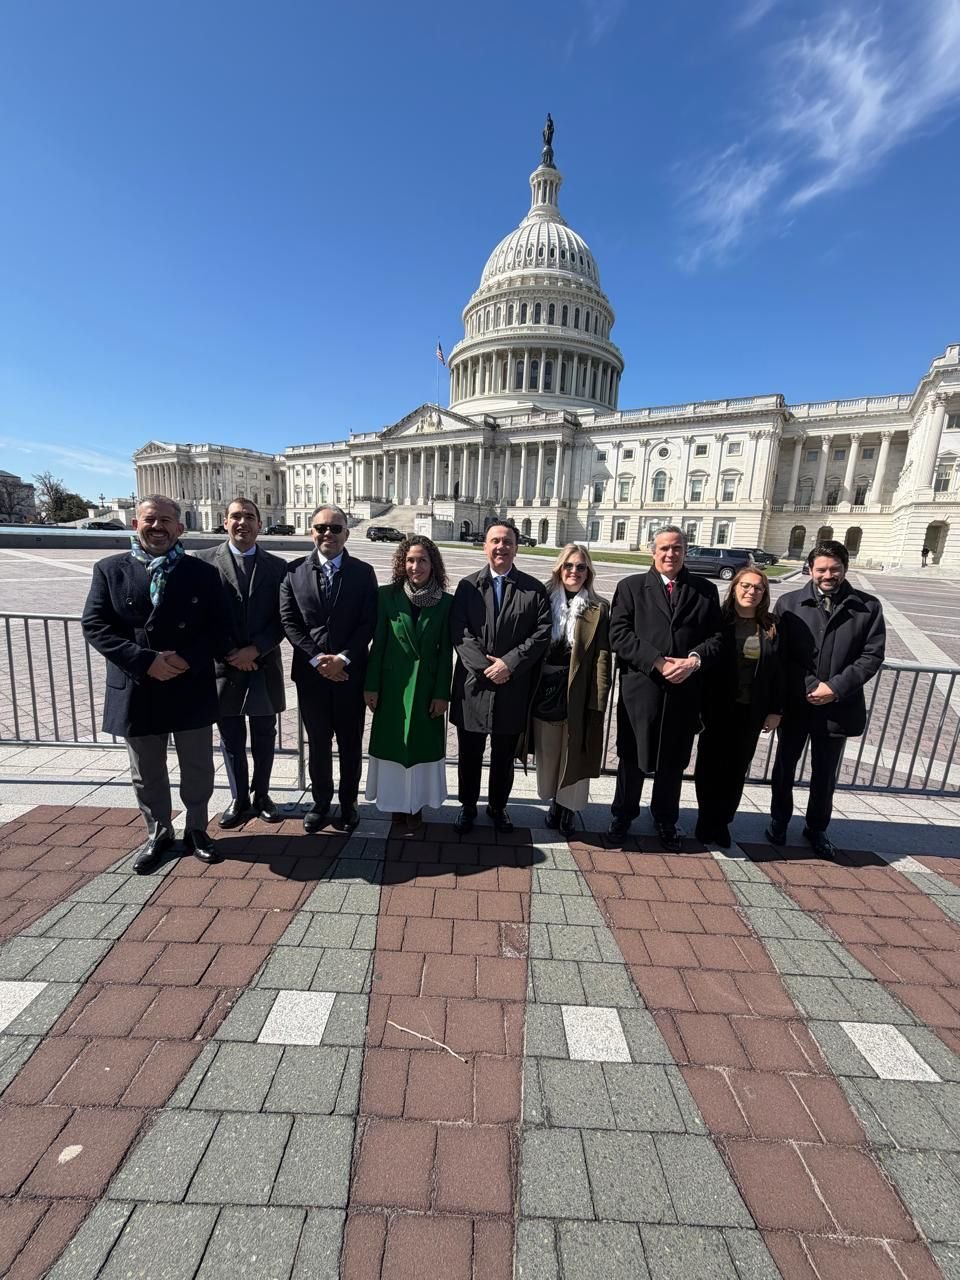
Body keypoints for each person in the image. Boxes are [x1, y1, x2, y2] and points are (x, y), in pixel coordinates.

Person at [81, 495, 227, 872]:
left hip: (187, 682)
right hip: (138, 684)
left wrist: (185, 659)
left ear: (180, 528)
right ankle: (158, 831)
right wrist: (146, 661)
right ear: (136, 524)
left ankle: (197, 828)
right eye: (150, 519)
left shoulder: (203, 573)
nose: (157, 527)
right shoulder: (110, 569)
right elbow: (95, 625)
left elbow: (218, 628)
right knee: (146, 770)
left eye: (165, 521)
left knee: (197, 765)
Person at [767, 539, 885, 858]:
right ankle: (778, 820)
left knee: (825, 774)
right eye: (821, 569)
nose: (828, 575)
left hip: (838, 706)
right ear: (809, 570)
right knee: (784, 768)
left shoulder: (868, 607)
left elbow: (872, 656)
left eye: (835, 568)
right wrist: (809, 684)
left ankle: (817, 828)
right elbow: (781, 655)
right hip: (797, 703)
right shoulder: (789, 603)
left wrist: (834, 687)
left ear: (845, 568)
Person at [608, 526, 723, 852]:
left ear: (685, 551)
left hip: (684, 690)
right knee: (632, 756)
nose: (670, 554)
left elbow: (717, 638)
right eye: (664, 548)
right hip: (642, 688)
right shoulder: (631, 587)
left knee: (673, 760)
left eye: (677, 548)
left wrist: (693, 661)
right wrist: (657, 662)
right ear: (653, 551)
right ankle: (623, 815)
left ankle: (665, 818)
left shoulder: (705, 590)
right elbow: (619, 634)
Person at [279, 505, 377, 832]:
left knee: (350, 744)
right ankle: (321, 802)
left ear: (346, 533)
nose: (328, 534)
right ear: (312, 531)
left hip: (350, 674)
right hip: (312, 676)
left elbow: (368, 622)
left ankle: (349, 803)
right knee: (318, 743)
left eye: (335, 528)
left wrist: (343, 659)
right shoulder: (293, 571)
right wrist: (318, 660)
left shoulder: (363, 572)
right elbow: (290, 622)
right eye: (321, 527)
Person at [450, 522, 551, 832]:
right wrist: (486, 669)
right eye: (495, 541)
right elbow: (460, 632)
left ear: (516, 547)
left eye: (507, 541)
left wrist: (509, 664)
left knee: (504, 755)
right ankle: (468, 806)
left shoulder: (533, 589)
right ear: (485, 546)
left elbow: (542, 633)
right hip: (473, 685)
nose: (501, 547)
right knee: (469, 753)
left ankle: (497, 806)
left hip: (513, 685)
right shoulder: (468, 587)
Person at [196, 498, 289, 828]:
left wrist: (256, 649)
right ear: (225, 522)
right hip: (224, 666)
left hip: (264, 665)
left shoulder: (278, 567)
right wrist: (232, 653)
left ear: (260, 525)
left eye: (249, 516)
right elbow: (202, 617)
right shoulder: (204, 562)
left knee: (265, 734)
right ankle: (239, 798)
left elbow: (284, 618)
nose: (242, 522)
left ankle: (262, 794)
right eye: (236, 516)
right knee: (231, 737)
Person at [517, 544, 611, 835]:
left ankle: (568, 808)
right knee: (549, 752)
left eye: (581, 567)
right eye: (568, 566)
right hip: (544, 689)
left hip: (577, 690)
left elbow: (602, 656)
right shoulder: (542, 600)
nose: (574, 572)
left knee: (574, 752)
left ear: (588, 572)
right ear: (559, 569)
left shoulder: (598, 607)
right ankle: (554, 802)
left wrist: (599, 700)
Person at [363, 536, 453, 827]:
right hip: (393, 687)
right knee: (393, 747)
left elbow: (446, 653)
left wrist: (442, 693)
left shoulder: (445, 602)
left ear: (433, 564)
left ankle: (416, 805)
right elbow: (378, 644)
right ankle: (395, 804)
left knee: (421, 748)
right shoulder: (386, 596)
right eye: (410, 560)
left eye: (422, 560)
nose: (416, 566)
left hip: (427, 688)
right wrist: (371, 686)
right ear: (402, 563)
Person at [694, 567, 783, 848]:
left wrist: (776, 710)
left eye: (758, 588)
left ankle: (722, 822)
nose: (751, 592)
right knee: (709, 766)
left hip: (751, 710)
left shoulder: (771, 627)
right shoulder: (717, 620)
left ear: (764, 594)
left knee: (736, 768)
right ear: (734, 588)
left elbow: (780, 672)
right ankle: (705, 818)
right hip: (716, 707)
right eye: (745, 585)